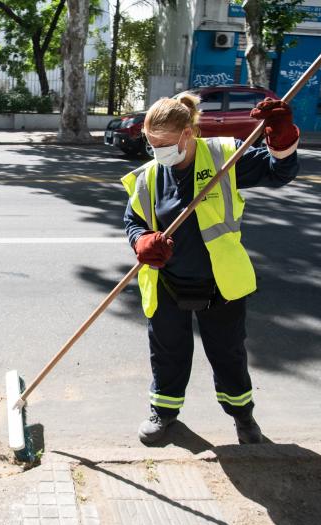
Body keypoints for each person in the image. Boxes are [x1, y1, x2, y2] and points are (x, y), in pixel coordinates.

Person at [122, 94, 300, 444]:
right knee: (168, 352)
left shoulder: (224, 155)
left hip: (220, 283)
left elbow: (280, 172)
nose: (157, 151)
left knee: (228, 352)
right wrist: (141, 240)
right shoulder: (149, 176)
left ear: (188, 133)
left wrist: (281, 137)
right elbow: (133, 220)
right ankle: (165, 413)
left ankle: (243, 416)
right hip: (167, 282)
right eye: (151, 143)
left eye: (164, 143)